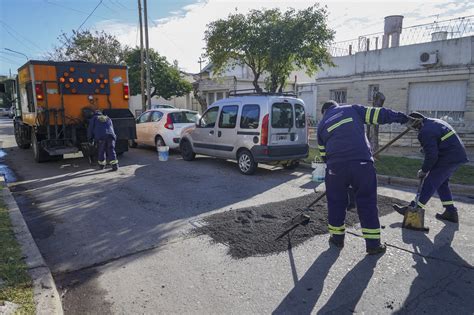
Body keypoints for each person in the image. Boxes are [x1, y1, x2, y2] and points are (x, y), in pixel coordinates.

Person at [317, 100, 413, 255]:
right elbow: (379, 114)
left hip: (335, 168)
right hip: (361, 164)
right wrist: (404, 118)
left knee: (336, 202)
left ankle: (337, 238)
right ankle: (373, 245)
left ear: (324, 112)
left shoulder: (321, 125)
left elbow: (324, 156)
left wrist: (339, 173)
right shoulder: (351, 110)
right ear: (336, 106)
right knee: (367, 202)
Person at [393, 112, 468, 223]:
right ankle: (451, 212)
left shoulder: (425, 132)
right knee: (442, 184)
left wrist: (424, 170)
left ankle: (413, 209)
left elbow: (432, 156)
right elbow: (438, 141)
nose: (411, 128)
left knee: (430, 182)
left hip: (448, 157)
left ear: (415, 123)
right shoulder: (433, 122)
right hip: (455, 155)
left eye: (410, 124)